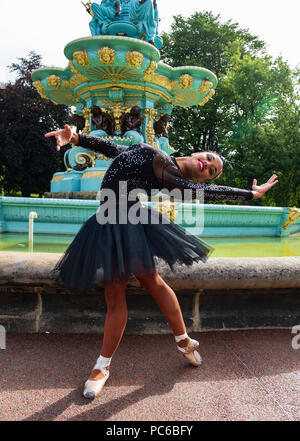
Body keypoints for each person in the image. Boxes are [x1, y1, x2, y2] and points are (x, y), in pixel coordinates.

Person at [45, 125, 278, 399]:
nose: (208, 165)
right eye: (210, 158)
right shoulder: (158, 157)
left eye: (211, 171)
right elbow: (116, 150)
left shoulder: (170, 174)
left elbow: (206, 192)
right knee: (122, 290)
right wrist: (76, 138)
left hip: (127, 222)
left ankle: (169, 346)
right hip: (109, 220)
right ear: (197, 152)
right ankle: (118, 362)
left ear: (203, 180)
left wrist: (250, 194)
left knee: (146, 282)